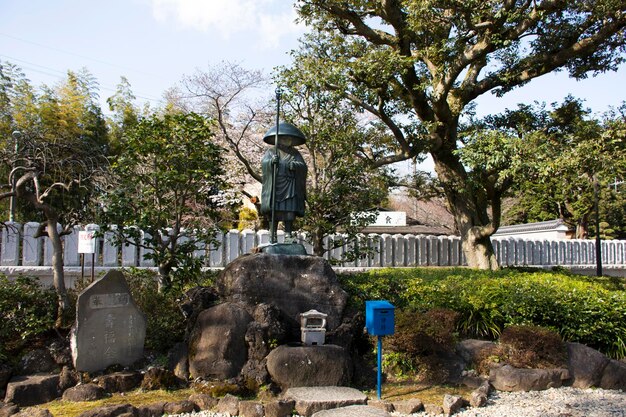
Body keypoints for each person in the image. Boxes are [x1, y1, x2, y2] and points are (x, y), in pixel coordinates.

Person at [260, 123, 307, 240]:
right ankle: (273, 234)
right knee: (274, 211)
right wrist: (271, 162)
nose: (289, 140)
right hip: (276, 185)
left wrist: (295, 165)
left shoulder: (295, 153)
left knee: (289, 210)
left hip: (290, 184)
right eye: (286, 138)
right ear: (280, 139)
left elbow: (303, 167)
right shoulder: (271, 152)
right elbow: (264, 164)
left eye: (291, 138)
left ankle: (288, 234)